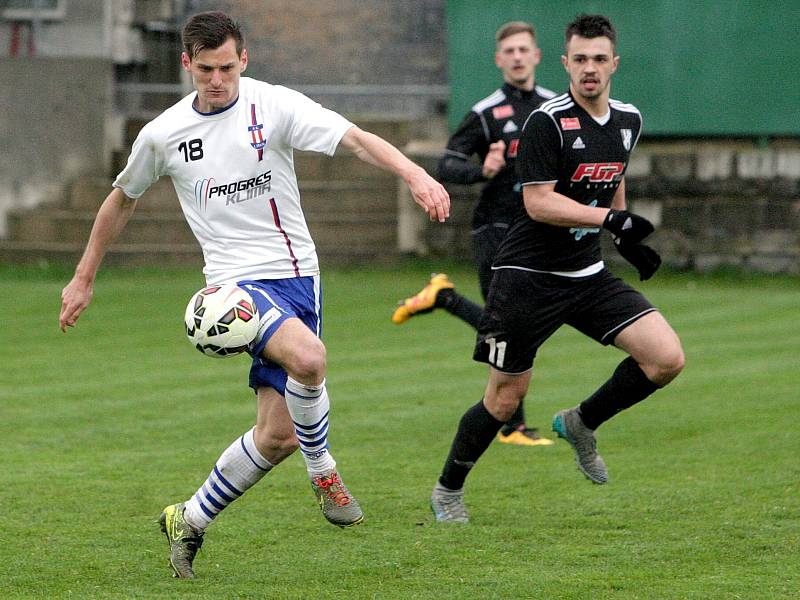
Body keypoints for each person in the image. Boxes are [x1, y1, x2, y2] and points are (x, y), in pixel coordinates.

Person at [58, 11, 450, 577]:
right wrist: (83, 277)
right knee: (310, 359)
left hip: (298, 276)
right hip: (233, 286)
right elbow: (122, 199)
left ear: (244, 60)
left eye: (227, 67)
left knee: (277, 435)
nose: (217, 80)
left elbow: (357, 141)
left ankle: (189, 518)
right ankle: (325, 472)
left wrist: (415, 175)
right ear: (185, 64)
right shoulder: (162, 134)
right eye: (205, 70)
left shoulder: (274, 105)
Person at [429, 13, 684, 523]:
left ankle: (581, 422)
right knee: (504, 400)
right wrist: (614, 217)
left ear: (615, 63)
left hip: (587, 274)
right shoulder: (545, 121)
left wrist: (621, 235)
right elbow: (539, 204)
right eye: (581, 59)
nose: (590, 69)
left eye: (599, 59)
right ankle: (448, 489)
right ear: (566, 63)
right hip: (527, 276)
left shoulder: (628, 120)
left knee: (666, 359)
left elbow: (612, 176)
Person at [391, 21, 556, 447]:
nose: (517, 57)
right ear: (499, 60)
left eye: (524, 49)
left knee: (520, 322)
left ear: (536, 55)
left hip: (538, 230)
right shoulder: (486, 113)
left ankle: (444, 297)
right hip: (495, 227)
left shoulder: (555, 108)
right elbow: (446, 165)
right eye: (509, 51)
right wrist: (482, 170)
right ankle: (512, 425)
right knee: (507, 323)